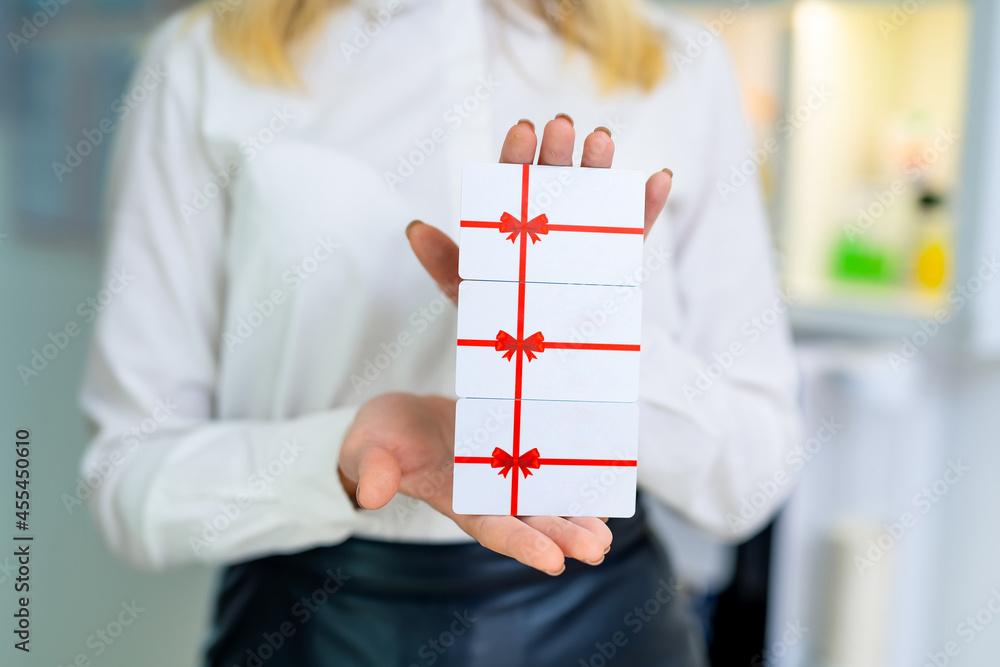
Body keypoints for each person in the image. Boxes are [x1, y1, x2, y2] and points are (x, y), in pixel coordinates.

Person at [79, 0, 801, 664]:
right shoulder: (204, 59)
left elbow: (752, 474)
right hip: (312, 629)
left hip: (605, 618)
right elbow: (128, 480)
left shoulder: (677, 64)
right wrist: (335, 458)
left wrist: (587, 341)